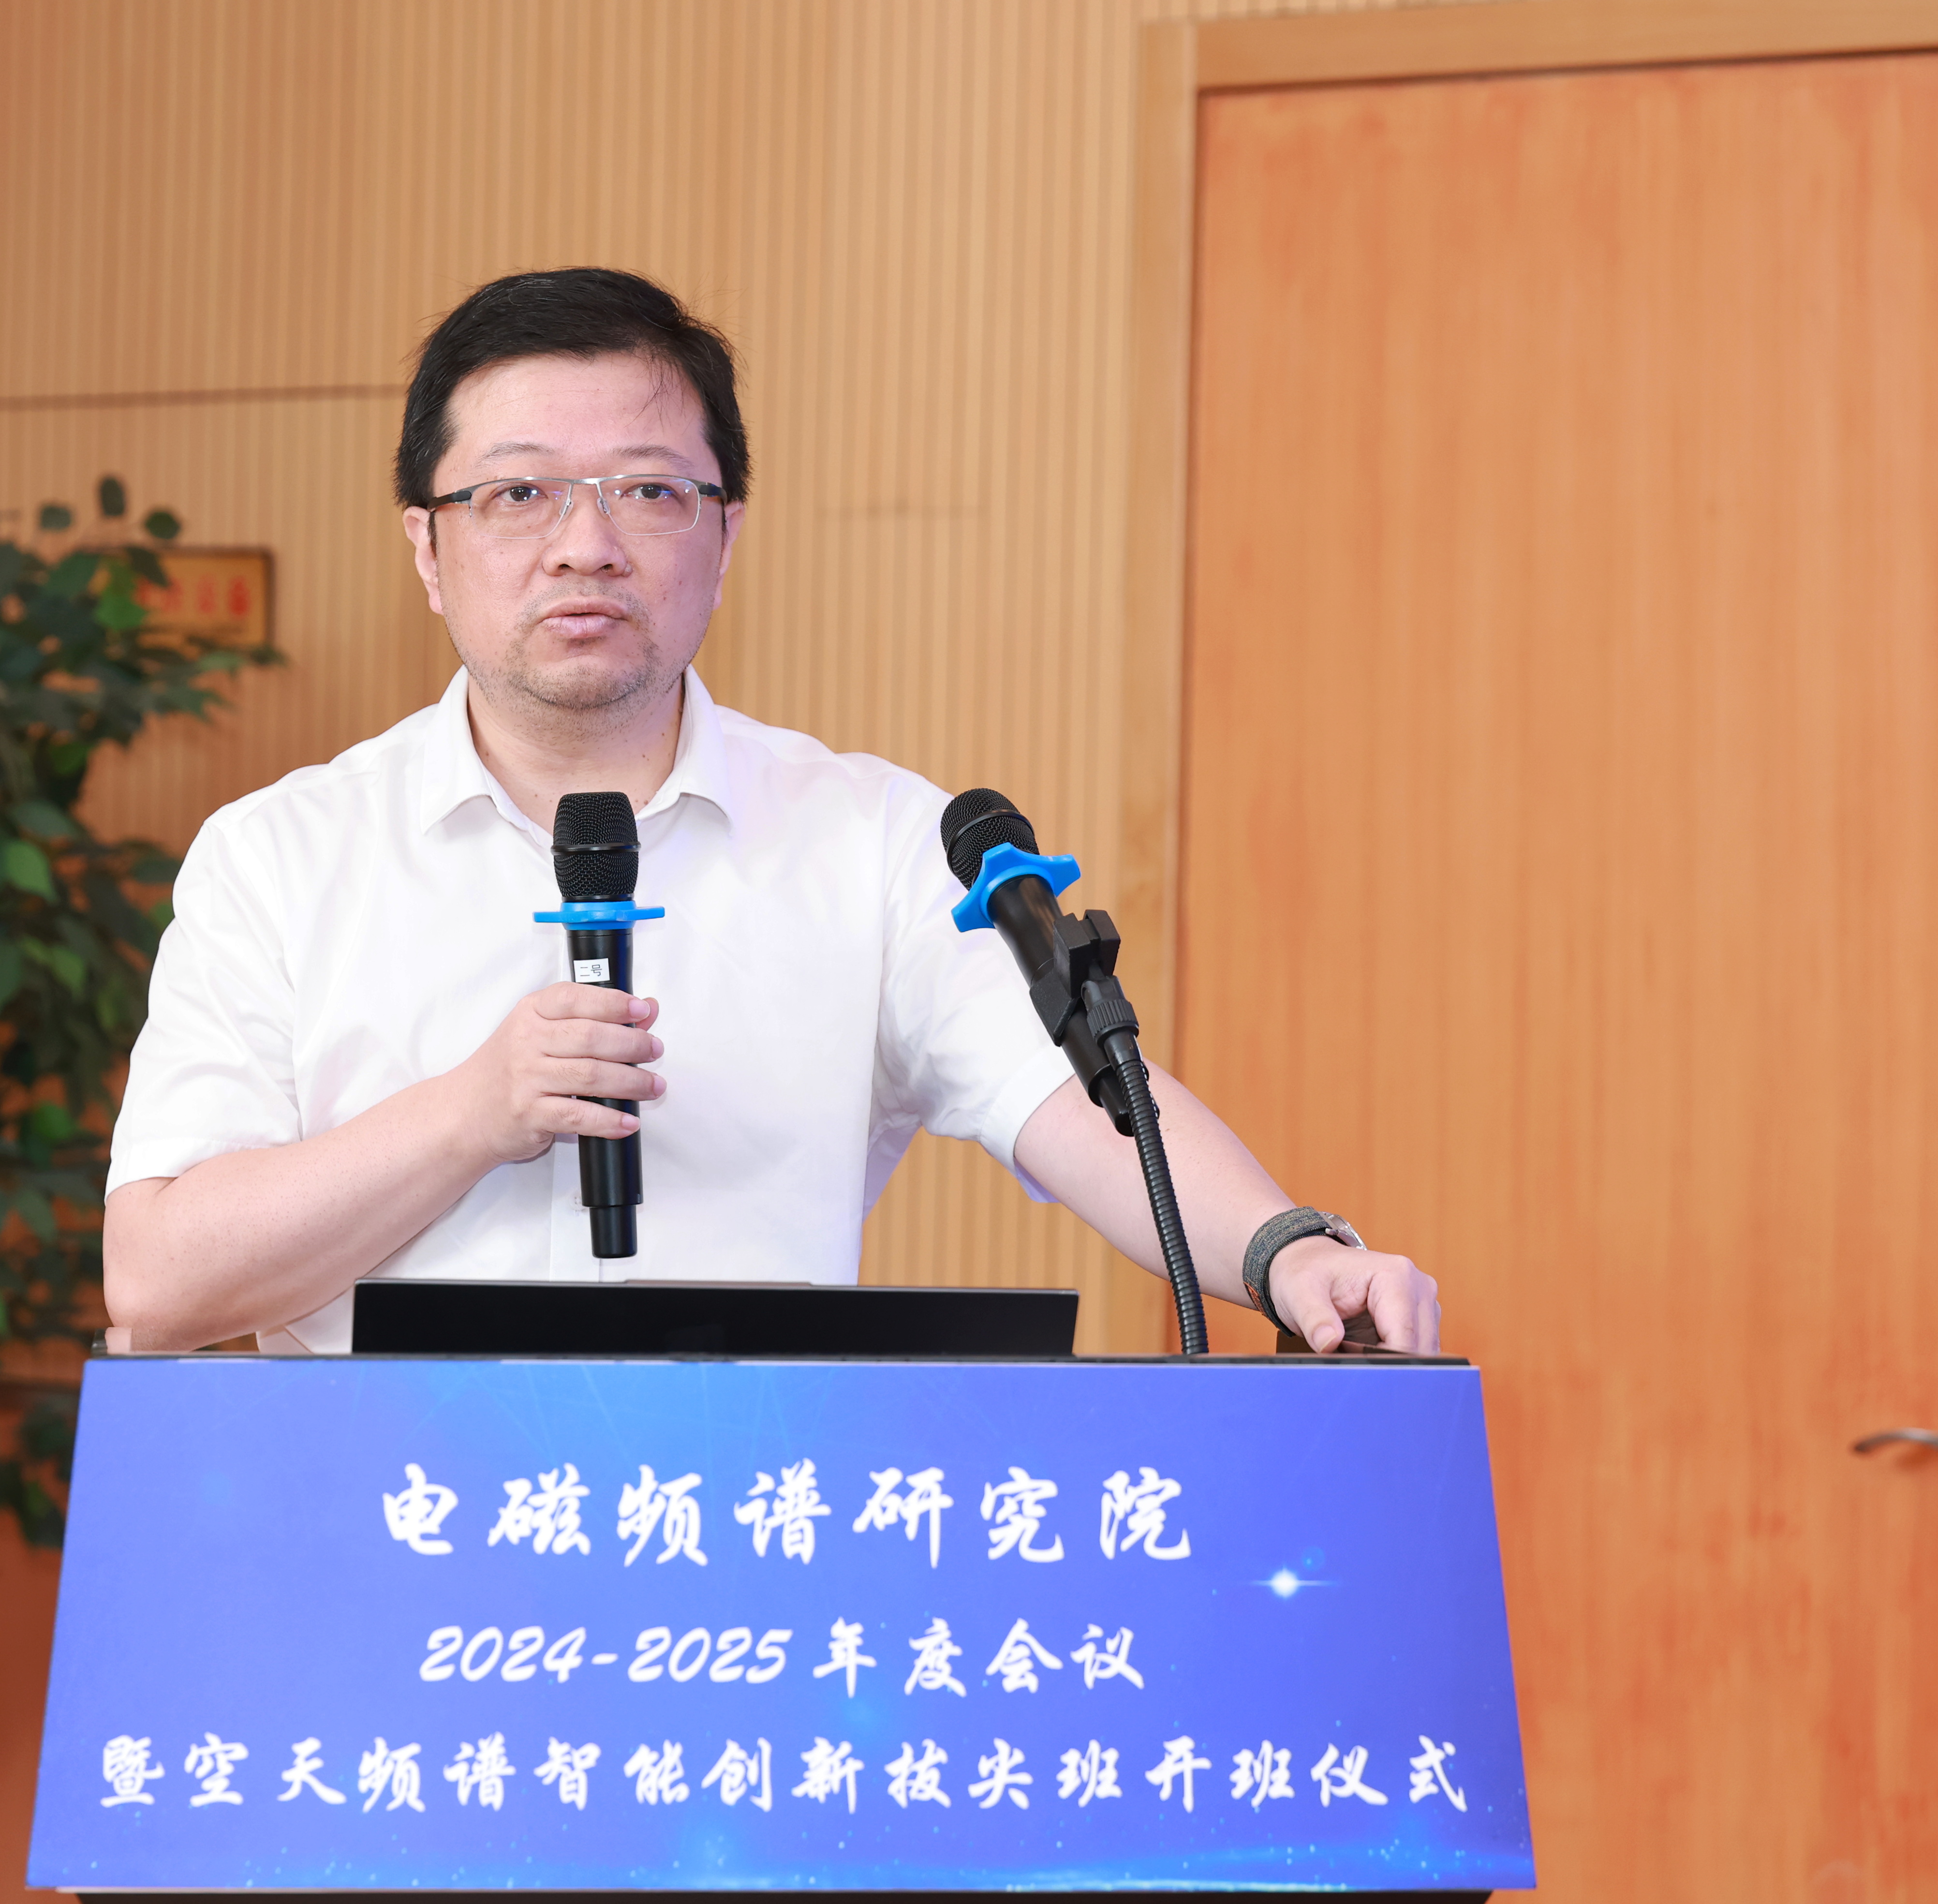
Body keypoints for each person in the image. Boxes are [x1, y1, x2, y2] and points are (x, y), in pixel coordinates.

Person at [100, 268, 1439, 1356]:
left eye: (650, 492)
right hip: (395, 1545)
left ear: (727, 537)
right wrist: (469, 1114)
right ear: (427, 545)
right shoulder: (279, 858)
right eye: (518, 494)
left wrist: (1288, 1252)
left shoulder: (869, 843)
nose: (585, 545)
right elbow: (158, 1283)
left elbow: (1081, 1107)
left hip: (750, 1543)